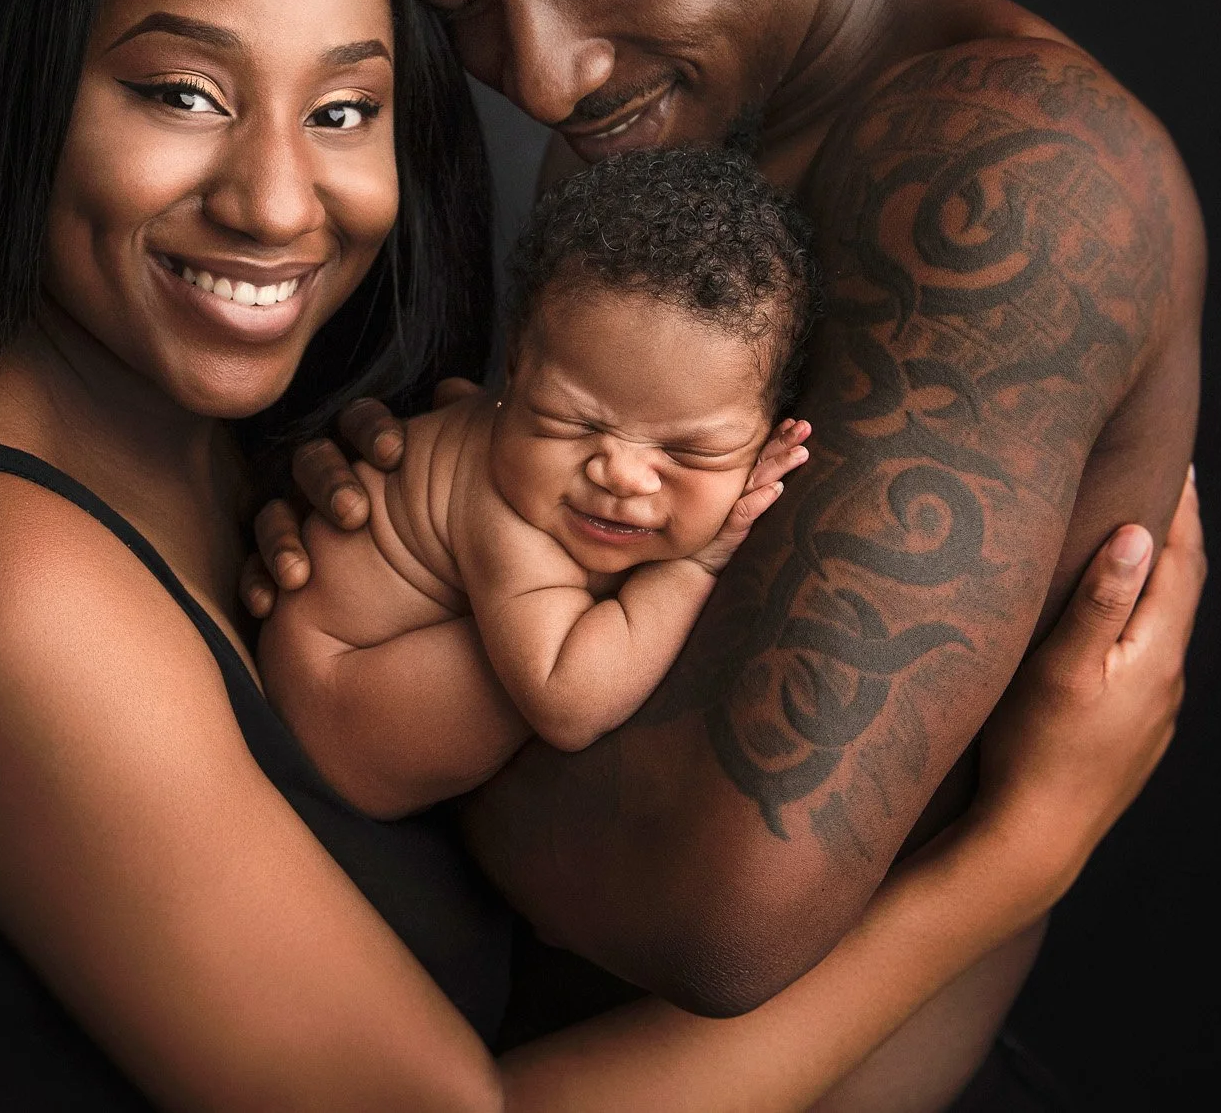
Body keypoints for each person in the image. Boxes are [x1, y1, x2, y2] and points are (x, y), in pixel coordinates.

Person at [0, 0, 1202, 1110]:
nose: (273, 202)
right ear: (18, 83)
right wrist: (1014, 859)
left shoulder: (229, 439)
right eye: (180, 93)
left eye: (344, 111)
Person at [246, 0, 1208, 1095]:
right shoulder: (652, 146)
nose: (548, 76)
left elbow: (713, 908)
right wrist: (432, 527)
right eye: (463, 16)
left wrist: (360, 698)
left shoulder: (1019, 178)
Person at [262, 148, 818, 815]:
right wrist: (695, 564)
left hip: (348, 664)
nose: (620, 473)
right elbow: (568, 703)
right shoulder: (506, 511)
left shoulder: (538, 464)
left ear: (769, 433)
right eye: (570, 420)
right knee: (554, 669)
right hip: (339, 709)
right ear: (514, 374)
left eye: (690, 452)